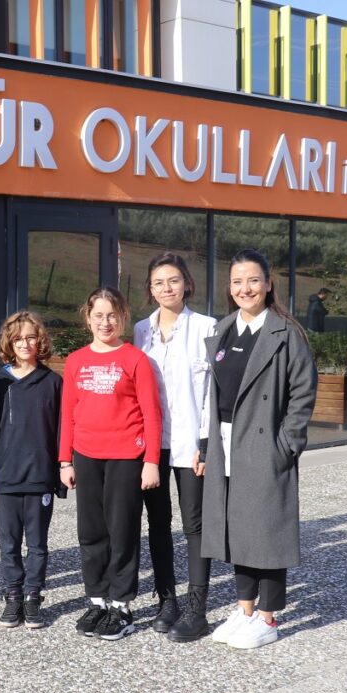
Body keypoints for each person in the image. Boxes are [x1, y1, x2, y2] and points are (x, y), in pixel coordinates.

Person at [202, 249, 317, 649]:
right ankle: (245, 609)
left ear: (268, 284)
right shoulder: (223, 329)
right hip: (226, 444)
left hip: (265, 443)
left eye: (253, 280)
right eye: (237, 281)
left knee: (268, 530)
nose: (245, 288)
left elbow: (303, 392)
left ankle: (268, 618)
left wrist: (286, 444)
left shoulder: (286, 333)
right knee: (239, 529)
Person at [59, 287, 162, 641]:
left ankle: (121, 605)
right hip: (86, 455)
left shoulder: (135, 359)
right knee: (91, 532)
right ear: (88, 319)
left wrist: (151, 461)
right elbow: (67, 414)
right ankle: (97, 600)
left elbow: (151, 414)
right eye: (99, 315)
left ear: (123, 318)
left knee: (122, 531)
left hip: (125, 457)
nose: (105, 322)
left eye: (112, 316)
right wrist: (64, 460)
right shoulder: (76, 361)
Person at [132, 253, 219, 641]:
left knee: (195, 524)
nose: (166, 288)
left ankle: (197, 608)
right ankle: (167, 600)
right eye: (158, 282)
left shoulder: (206, 327)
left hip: (190, 442)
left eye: (173, 280)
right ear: (150, 290)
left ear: (186, 284)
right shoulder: (141, 331)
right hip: (152, 443)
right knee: (157, 522)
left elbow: (213, 391)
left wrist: (207, 442)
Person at [0, 310, 64, 629]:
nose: (25, 344)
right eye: (18, 339)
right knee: (9, 544)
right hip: (6, 478)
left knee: (38, 544)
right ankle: (13, 595)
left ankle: (32, 595)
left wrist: (60, 479)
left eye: (31, 337)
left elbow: (61, 433)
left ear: (40, 340)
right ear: (9, 343)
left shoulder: (53, 382)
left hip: (40, 478)